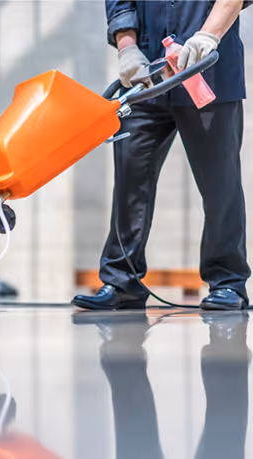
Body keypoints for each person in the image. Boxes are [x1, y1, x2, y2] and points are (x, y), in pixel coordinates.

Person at [73, 0, 251, 311]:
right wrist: (127, 48)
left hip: (208, 70)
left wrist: (209, 35)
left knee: (220, 186)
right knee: (130, 181)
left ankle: (228, 284)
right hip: (147, 74)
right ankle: (122, 281)